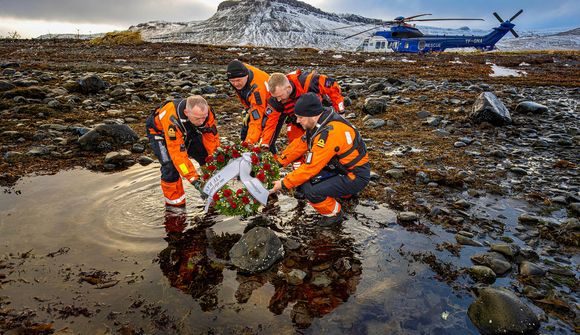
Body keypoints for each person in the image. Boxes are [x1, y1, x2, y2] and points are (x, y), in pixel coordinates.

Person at [269, 93, 369, 226]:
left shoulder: (330, 133)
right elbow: (300, 144)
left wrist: (283, 183)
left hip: (354, 176)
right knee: (302, 184)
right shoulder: (319, 122)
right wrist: (278, 162)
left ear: (311, 115)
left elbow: (311, 167)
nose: (297, 121)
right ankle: (343, 193)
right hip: (342, 169)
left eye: (300, 117)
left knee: (310, 190)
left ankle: (334, 213)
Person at [146, 95, 219, 207]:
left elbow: (211, 138)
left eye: (203, 118)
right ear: (186, 112)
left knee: (205, 157)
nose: (201, 122)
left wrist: (214, 159)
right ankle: (175, 206)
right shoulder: (171, 119)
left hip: (188, 129)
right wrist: (194, 180)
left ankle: (211, 192)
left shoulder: (207, 113)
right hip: (160, 134)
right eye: (197, 118)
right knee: (170, 167)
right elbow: (178, 155)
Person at [263, 70, 346, 154]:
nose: (278, 99)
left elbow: (332, 87)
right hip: (297, 122)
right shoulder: (275, 99)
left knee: (326, 145)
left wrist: (341, 112)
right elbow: (270, 122)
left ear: (288, 88)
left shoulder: (309, 82)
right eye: (276, 97)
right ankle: (297, 166)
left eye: (280, 96)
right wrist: (265, 143)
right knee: (294, 146)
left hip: (319, 118)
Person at [226, 60, 270, 147]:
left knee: (266, 140)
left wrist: (249, 143)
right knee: (244, 132)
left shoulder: (257, 91)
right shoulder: (238, 71)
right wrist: (247, 108)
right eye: (232, 81)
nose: (235, 84)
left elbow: (256, 120)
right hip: (254, 104)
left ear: (246, 76)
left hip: (274, 106)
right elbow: (241, 93)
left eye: (238, 80)